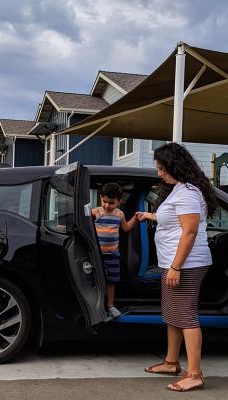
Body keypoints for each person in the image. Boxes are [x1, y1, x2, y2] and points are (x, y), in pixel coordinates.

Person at [136, 142, 217, 392]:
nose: (159, 173)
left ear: (174, 166)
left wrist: (176, 266)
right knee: (173, 315)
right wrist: (150, 216)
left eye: (161, 168)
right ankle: (171, 362)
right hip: (174, 263)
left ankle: (195, 374)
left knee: (186, 316)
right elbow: (172, 218)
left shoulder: (189, 192)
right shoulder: (180, 189)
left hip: (186, 264)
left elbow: (190, 231)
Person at [92, 182, 138, 318]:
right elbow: (82, 223)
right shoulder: (96, 212)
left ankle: (110, 305)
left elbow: (126, 228)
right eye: (104, 201)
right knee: (96, 279)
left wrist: (135, 218)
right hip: (97, 254)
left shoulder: (120, 214)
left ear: (119, 202)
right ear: (100, 198)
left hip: (112, 254)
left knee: (111, 281)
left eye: (111, 203)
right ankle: (96, 305)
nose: (107, 205)